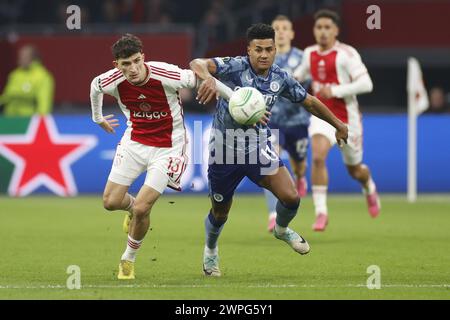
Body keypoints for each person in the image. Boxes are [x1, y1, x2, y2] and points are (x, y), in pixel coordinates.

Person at [190, 23, 348, 277]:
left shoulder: (280, 77)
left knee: (291, 197)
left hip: (258, 148)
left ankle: (282, 229)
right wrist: (208, 78)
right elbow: (197, 62)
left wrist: (338, 123)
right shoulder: (235, 66)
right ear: (249, 50)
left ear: (275, 50)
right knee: (220, 213)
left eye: (269, 49)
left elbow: (309, 101)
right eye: (258, 49)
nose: (264, 54)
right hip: (224, 150)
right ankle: (210, 250)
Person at [90, 34, 211, 280]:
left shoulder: (165, 73)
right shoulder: (111, 81)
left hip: (168, 147)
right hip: (135, 142)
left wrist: (225, 91)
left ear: (143, 57)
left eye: (136, 61)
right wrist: (97, 118)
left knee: (145, 206)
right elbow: (95, 85)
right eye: (126, 64)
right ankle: (131, 208)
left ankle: (128, 259)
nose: (133, 69)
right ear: (117, 65)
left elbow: (197, 76)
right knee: (111, 202)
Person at [294, 9, 380, 232]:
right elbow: (299, 74)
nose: (322, 32)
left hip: (347, 119)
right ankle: (321, 212)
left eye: (327, 28)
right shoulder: (309, 53)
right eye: (319, 27)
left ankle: (368, 186)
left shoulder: (346, 54)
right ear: (314, 30)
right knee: (318, 157)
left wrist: (336, 90)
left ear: (336, 31)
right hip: (322, 117)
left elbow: (367, 84)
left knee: (355, 170)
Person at [264, 15, 311, 233]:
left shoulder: (303, 59)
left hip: (298, 120)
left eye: (285, 28)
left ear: (292, 33)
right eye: (277, 28)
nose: (281, 32)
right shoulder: (265, 58)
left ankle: (301, 176)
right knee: (270, 163)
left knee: (299, 164)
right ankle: (273, 214)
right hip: (272, 120)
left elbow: (308, 89)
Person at [0, 45, 54, 116]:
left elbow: (44, 104)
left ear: (33, 58)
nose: (20, 59)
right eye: (19, 56)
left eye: (24, 56)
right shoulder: (15, 74)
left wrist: (39, 121)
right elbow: (6, 96)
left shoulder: (43, 76)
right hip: (9, 118)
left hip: (28, 120)